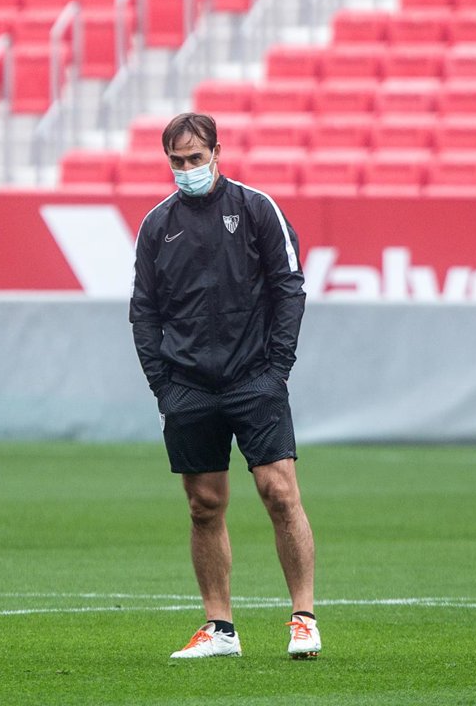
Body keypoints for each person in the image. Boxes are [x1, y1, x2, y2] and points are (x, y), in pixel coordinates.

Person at [128, 113, 321, 660]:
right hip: (187, 385)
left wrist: (278, 367)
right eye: (177, 161)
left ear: (217, 152)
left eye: (195, 158)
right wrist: (162, 384)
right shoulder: (156, 225)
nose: (187, 168)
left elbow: (289, 288)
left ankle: (303, 618)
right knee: (203, 505)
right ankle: (220, 629)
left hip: (255, 377)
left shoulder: (257, 209)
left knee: (279, 493)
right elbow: (144, 311)